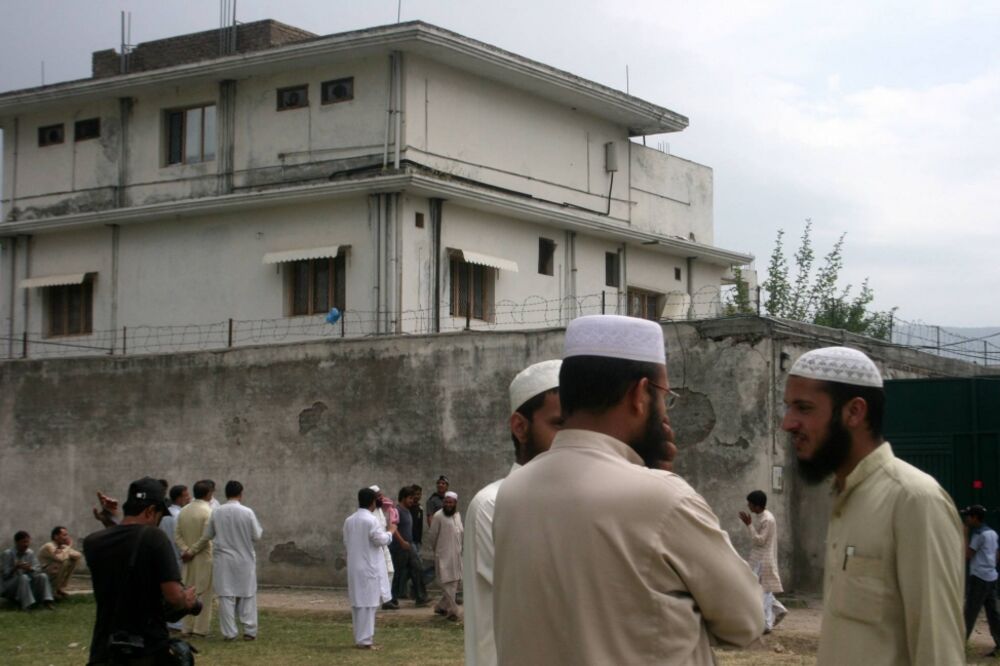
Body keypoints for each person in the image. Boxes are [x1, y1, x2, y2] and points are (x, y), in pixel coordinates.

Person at [493, 314, 763, 665]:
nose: (666, 414)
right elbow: (747, 621)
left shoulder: (513, 491)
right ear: (639, 394)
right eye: (665, 395)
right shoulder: (663, 499)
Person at [783, 345, 964, 665]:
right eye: (789, 408)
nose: (789, 423)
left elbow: (938, 649)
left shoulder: (914, 500)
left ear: (854, 412)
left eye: (804, 408)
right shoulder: (844, 497)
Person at [463, 359, 562, 666]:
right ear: (520, 427)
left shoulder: (571, 503)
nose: (575, 440)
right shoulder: (495, 504)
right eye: (560, 425)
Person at [83, 477, 200, 665]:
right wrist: (187, 600)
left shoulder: (92, 543)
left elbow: (123, 546)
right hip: (146, 648)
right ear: (151, 511)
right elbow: (173, 596)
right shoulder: (154, 538)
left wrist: (112, 521)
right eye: (159, 516)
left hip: (105, 648)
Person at [204, 480, 263, 642]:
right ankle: (250, 630)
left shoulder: (217, 512)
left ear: (226, 493)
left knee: (225, 596)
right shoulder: (247, 512)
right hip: (244, 559)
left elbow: (208, 534)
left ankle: (229, 632)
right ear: (241, 494)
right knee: (247, 595)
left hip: (223, 560)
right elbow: (256, 535)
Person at [344, 487, 394, 650]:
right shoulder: (371, 520)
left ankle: (361, 638)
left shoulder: (349, 520)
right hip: (368, 567)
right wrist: (391, 532)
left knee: (359, 604)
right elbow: (380, 540)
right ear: (372, 502)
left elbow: (346, 541)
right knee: (369, 604)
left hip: (355, 567)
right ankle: (365, 641)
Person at [738, 490, 787, 634]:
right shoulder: (761, 516)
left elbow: (760, 541)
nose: (748, 506)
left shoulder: (768, 519)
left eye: (750, 504)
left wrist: (749, 525)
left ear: (757, 506)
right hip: (757, 559)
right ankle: (778, 610)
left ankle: (766, 624)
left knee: (763, 591)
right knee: (759, 589)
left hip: (763, 561)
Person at [175, 479, 215, 637]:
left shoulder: (184, 510)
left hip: (188, 558)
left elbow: (177, 534)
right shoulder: (209, 511)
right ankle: (200, 629)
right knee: (204, 592)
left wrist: (186, 550)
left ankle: (186, 627)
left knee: (188, 591)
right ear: (209, 494)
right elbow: (206, 537)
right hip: (203, 557)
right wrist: (192, 550)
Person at [961, 504, 1000, 656]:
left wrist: (964, 534)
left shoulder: (978, 535)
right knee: (993, 613)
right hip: (991, 577)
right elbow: (997, 555)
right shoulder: (992, 533)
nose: (966, 519)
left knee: (970, 612)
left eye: (968, 516)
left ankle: (957, 645)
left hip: (979, 577)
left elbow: (967, 554)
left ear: (975, 518)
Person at [389, 486, 428, 608]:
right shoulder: (397, 510)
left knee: (418, 569)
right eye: (410, 498)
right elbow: (393, 529)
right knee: (398, 574)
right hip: (399, 547)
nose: (412, 500)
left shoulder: (407, 510)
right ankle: (391, 599)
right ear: (403, 498)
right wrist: (402, 542)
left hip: (409, 546)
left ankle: (421, 598)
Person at [428, 490, 463, 621]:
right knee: (448, 583)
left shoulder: (457, 516)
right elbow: (432, 536)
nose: (448, 504)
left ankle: (440, 607)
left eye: (451, 502)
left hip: (457, 555)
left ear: (455, 503)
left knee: (454, 583)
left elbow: (461, 535)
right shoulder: (438, 516)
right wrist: (438, 551)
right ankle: (453, 611)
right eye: (446, 502)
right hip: (443, 555)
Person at [159, 485, 190, 632]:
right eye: (186, 496)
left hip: (164, 556)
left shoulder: (164, 515)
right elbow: (180, 538)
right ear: (179, 498)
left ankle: (168, 621)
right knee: (179, 590)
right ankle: (177, 623)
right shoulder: (180, 516)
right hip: (178, 557)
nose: (188, 498)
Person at [1, 531, 54, 610]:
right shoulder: (7, 554)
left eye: (27, 542)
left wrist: (30, 569)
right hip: (10, 587)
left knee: (43, 576)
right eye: (23, 542)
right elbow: (5, 575)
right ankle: (27, 605)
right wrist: (15, 568)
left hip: (26, 584)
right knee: (23, 577)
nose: (26, 544)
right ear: (17, 542)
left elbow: (38, 569)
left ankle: (47, 601)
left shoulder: (30, 553)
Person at [368, 485, 397, 610]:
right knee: (376, 575)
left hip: (384, 546)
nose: (382, 497)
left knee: (390, 571)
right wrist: (391, 532)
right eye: (378, 495)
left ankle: (387, 599)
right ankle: (377, 599)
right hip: (376, 547)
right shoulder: (370, 513)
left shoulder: (379, 509)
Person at [37, 526, 82, 599]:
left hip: (53, 572)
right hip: (43, 575)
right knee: (64, 562)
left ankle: (60, 588)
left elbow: (78, 555)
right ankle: (53, 590)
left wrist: (66, 549)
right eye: (64, 535)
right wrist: (69, 547)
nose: (67, 537)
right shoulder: (49, 546)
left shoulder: (62, 546)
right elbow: (61, 558)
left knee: (72, 561)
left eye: (67, 535)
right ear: (56, 536)